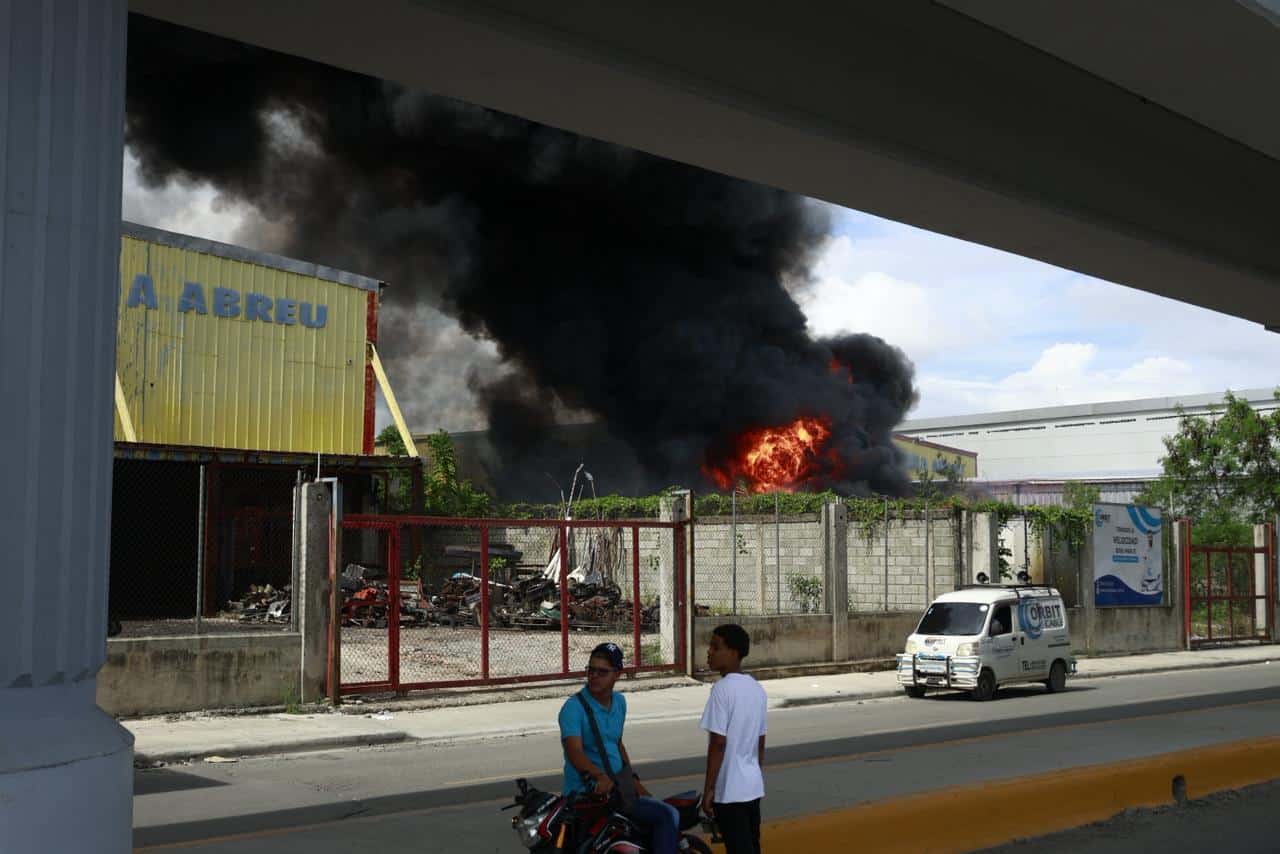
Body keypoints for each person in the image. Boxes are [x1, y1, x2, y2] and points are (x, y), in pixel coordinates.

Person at [558, 642, 679, 854]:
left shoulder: (620, 703)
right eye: (591, 669)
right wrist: (599, 776)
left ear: (618, 674)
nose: (594, 675)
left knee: (660, 816)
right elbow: (574, 751)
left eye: (602, 671)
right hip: (587, 797)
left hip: (619, 791)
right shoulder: (573, 708)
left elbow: (617, 744)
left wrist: (633, 781)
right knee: (667, 815)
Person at [700, 624, 767, 854]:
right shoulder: (757, 689)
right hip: (752, 786)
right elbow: (760, 741)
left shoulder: (721, 689)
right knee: (751, 846)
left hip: (729, 791)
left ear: (734, 653)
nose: (709, 652)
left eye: (716, 647)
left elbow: (718, 743)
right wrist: (755, 773)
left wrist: (709, 790)